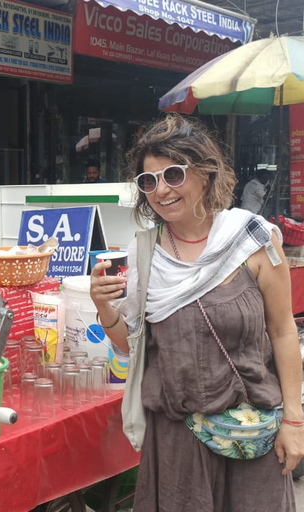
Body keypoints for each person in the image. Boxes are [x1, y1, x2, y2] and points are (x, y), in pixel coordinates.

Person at [90, 115, 303, 511]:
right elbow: (131, 345)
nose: (161, 190)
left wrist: (294, 421)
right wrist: (104, 309)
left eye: (173, 174)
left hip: (254, 436)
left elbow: (283, 332)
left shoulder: (252, 240)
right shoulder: (145, 254)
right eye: (148, 181)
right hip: (177, 441)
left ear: (204, 173)